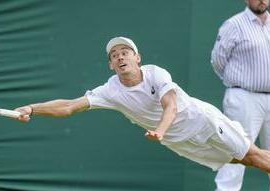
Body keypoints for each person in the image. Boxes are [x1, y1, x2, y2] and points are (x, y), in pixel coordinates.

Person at [15, 36, 270, 180]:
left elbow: (170, 106)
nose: (120, 56)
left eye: (126, 52)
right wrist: (32, 108)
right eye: (114, 55)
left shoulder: (156, 74)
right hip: (181, 142)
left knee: (255, 156)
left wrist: (159, 130)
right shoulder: (110, 90)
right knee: (245, 161)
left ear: (137, 58)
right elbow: (70, 106)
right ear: (111, 65)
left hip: (203, 122)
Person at [210, 0, 270, 191]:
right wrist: (237, 83)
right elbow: (218, 60)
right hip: (244, 95)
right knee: (238, 145)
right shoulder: (233, 24)